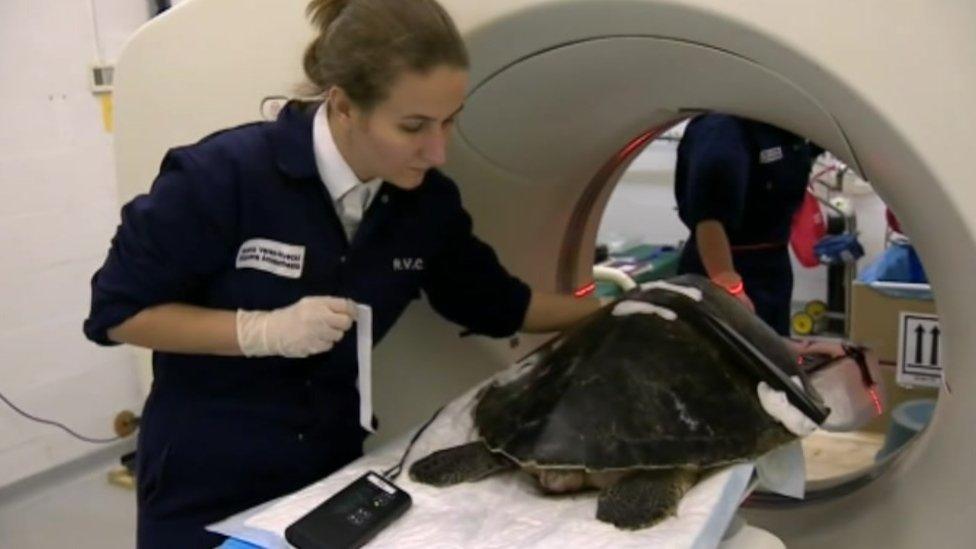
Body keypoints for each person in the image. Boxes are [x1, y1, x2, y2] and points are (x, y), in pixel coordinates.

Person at [83, 1, 599, 546]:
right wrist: (259, 332)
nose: (439, 149)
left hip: (327, 471)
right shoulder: (222, 177)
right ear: (344, 105)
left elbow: (500, 305)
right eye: (413, 126)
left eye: (450, 121)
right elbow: (119, 313)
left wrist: (626, 307)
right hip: (207, 473)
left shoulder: (424, 207)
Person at [674, 114, 821, 335]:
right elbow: (709, 218)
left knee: (772, 350)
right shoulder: (721, 128)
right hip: (727, 262)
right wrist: (727, 281)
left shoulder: (782, 123)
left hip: (774, 265)